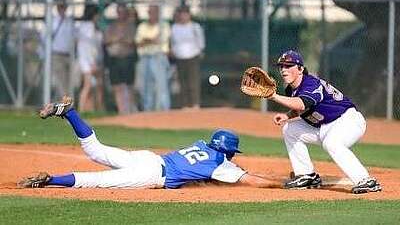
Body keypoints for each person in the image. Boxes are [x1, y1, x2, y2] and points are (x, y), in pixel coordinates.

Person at [18, 96, 281, 189]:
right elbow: (250, 180)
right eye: (232, 153)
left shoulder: (202, 145)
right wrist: (283, 185)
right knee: (96, 181)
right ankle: (50, 180)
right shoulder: (220, 164)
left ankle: (69, 113)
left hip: (149, 158)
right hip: (151, 174)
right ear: (227, 151)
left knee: (95, 150)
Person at [268, 49, 382, 194]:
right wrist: (287, 116)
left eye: (289, 66)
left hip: (347, 121)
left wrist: (273, 97)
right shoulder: (291, 90)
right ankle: (306, 176)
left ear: (301, 69)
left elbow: (302, 103)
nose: (284, 70)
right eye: (281, 66)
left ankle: (366, 181)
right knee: (290, 129)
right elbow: (303, 108)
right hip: (324, 126)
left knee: (332, 143)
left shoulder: (311, 83)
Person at [135, 5, 171, 111]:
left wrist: (146, 40)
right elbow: (138, 43)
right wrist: (151, 40)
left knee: (161, 85)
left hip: (159, 57)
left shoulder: (164, 25)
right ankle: (147, 110)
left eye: (154, 12)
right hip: (144, 57)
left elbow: (160, 40)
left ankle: (164, 110)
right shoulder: (142, 26)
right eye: (150, 12)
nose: (151, 14)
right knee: (145, 86)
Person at [170, 5, 205, 109]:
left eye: (186, 14)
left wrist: (199, 51)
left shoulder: (195, 27)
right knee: (182, 82)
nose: (183, 16)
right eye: (182, 14)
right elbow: (173, 42)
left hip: (193, 56)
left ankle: (195, 103)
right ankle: (184, 104)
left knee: (193, 81)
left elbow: (200, 41)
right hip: (179, 57)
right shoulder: (175, 27)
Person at [104, 3, 136, 114]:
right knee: (117, 86)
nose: (121, 14)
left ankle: (130, 110)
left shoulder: (130, 26)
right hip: (114, 59)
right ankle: (122, 111)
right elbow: (107, 41)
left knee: (129, 86)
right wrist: (119, 39)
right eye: (119, 12)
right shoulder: (111, 26)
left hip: (127, 59)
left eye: (123, 12)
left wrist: (116, 39)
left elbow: (131, 41)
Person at [40, 0, 75, 100]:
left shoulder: (69, 21)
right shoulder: (53, 21)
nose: (62, 9)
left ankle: (67, 104)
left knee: (68, 82)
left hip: (68, 55)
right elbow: (44, 37)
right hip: (56, 55)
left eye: (64, 7)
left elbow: (74, 36)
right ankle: (67, 106)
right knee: (61, 82)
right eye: (60, 7)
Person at [76, 5, 104, 111]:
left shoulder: (90, 27)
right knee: (87, 86)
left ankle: (95, 108)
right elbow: (88, 47)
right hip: (88, 61)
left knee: (96, 85)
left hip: (91, 60)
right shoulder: (88, 27)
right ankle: (81, 109)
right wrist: (92, 62)